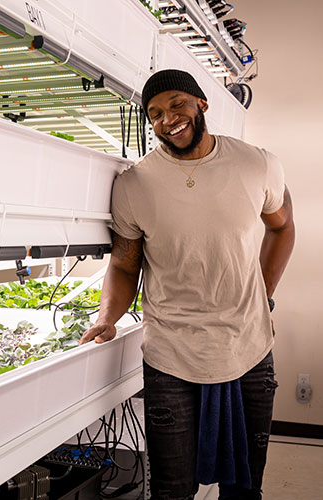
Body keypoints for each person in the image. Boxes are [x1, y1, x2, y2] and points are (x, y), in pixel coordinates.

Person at [79, 69, 295, 500]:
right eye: (155, 114)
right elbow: (124, 266)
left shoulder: (257, 163)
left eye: (177, 104)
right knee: (172, 490)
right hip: (171, 356)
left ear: (201, 104)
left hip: (249, 350)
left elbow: (282, 227)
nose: (167, 119)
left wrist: (262, 293)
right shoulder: (134, 184)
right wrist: (108, 317)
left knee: (245, 486)